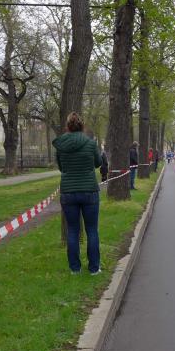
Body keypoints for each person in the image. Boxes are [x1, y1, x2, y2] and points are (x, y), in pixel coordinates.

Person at [53, 112, 102, 275]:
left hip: (68, 192)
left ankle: (75, 268)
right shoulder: (90, 143)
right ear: (82, 126)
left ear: (67, 126)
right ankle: (94, 268)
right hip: (89, 191)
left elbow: (61, 168)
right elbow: (98, 163)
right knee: (92, 230)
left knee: (72, 230)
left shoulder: (61, 145)